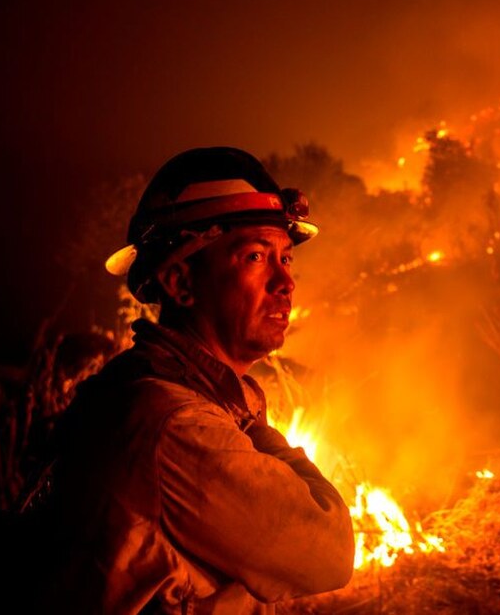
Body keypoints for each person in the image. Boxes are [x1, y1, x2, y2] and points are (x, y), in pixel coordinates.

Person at [42, 147, 355, 613]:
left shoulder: (148, 386)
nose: (285, 283)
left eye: (285, 259)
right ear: (181, 284)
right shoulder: (179, 426)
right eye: (254, 256)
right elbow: (329, 553)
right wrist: (255, 426)